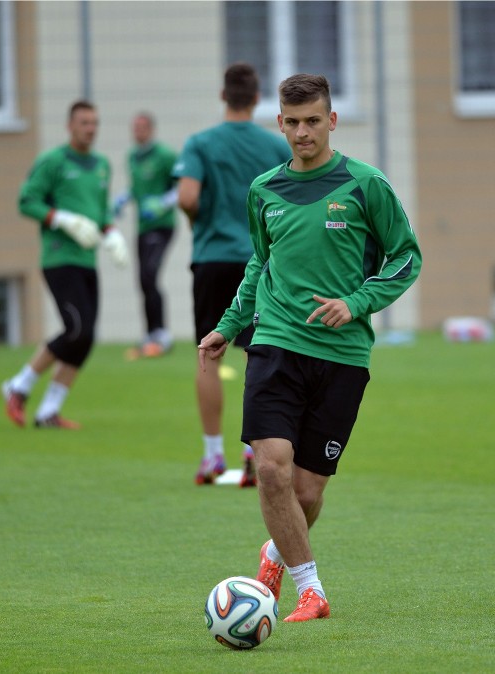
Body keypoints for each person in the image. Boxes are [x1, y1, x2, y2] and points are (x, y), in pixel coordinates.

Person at [198, 74, 422, 622]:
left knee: (307, 493)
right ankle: (311, 591)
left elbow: (406, 257)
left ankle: (274, 554)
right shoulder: (263, 190)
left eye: (313, 121)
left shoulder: (366, 185)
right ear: (279, 122)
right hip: (274, 343)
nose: (303, 132)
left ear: (331, 121)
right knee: (271, 469)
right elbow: (260, 264)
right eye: (292, 122)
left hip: (343, 357)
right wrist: (229, 326)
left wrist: (358, 301)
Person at [173, 63, 290, 487]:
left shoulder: (201, 143)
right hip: (260, 261)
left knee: (208, 353)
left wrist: (199, 222)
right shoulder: (274, 146)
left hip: (213, 257)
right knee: (256, 354)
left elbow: (187, 196)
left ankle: (212, 456)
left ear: (223, 96)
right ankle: (252, 454)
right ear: (257, 98)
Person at [1, 100, 129, 429]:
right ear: (70, 126)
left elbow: (101, 212)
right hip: (60, 258)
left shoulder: (101, 164)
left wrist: (112, 233)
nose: (90, 128)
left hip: (87, 260)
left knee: (85, 338)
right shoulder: (52, 162)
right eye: (84, 122)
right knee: (76, 330)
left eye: (95, 123)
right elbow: (26, 201)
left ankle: (48, 412)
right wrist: (61, 218)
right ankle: (19, 385)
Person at [112, 112, 179, 358]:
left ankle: (162, 333)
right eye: (135, 127)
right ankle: (150, 335)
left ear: (151, 129)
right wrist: (124, 198)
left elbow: (181, 185)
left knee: (150, 275)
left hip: (162, 225)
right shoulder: (132, 157)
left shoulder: (165, 155)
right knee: (142, 280)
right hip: (142, 226)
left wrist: (163, 203)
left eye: (142, 127)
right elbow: (137, 187)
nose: (138, 131)